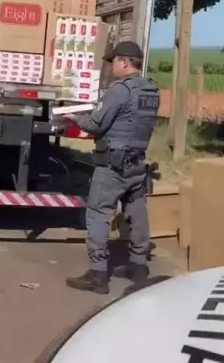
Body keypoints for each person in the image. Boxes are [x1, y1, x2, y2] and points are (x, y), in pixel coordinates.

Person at [62, 41, 160, 295]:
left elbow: (96, 124)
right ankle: (138, 266)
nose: (112, 66)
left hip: (113, 166)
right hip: (137, 163)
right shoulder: (151, 89)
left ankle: (98, 275)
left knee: (98, 212)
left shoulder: (120, 90)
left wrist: (74, 118)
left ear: (125, 62)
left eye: (114, 61)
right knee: (137, 213)